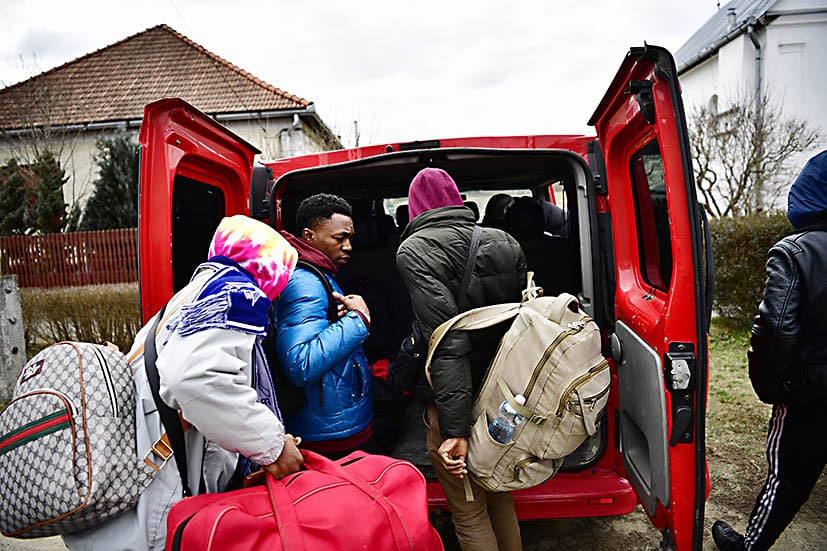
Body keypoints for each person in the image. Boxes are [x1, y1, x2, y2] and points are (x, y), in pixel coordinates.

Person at [64, 215, 305, 550]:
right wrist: (272, 445)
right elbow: (195, 378)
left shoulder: (185, 302)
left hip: (131, 498)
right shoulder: (234, 294)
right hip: (160, 507)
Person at [396, 167, 528, 551]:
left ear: (415, 208)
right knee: (500, 491)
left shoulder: (414, 250)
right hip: (503, 393)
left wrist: (455, 431)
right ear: (457, 197)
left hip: (454, 400)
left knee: (469, 509)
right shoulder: (504, 241)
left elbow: (448, 342)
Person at [712, 150, 827, 551]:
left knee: (787, 477)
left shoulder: (795, 251)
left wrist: (770, 388)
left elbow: (775, 330)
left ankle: (749, 547)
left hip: (810, 394)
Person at [272, 193, 376, 459]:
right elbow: (300, 363)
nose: (349, 246)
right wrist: (359, 319)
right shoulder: (304, 282)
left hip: (335, 419)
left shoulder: (319, 272)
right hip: (327, 432)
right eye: (340, 238)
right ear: (309, 236)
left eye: (350, 238)